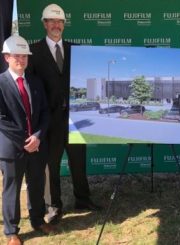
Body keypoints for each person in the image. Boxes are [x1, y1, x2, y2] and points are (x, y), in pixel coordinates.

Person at [27, 3, 101, 225]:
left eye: (60, 21)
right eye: (52, 21)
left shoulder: (76, 50)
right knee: (52, 165)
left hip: (77, 120)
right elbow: (31, 90)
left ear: (64, 25)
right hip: (49, 122)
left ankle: (83, 199)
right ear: (44, 23)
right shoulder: (33, 52)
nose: (56, 25)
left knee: (79, 162)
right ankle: (54, 206)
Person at [0, 35, 55, 245]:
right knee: (11, 189)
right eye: (16, 56)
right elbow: (1, 119)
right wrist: (27, 140)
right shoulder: (1, 83)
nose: (21, 60)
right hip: (12, 148)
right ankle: (11, 231)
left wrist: (38, 136)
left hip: (37, 145)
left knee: (37, 184)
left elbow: (44, 112)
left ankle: (38, 220)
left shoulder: (35, 81)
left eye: (24, 56)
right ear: (6, 57)